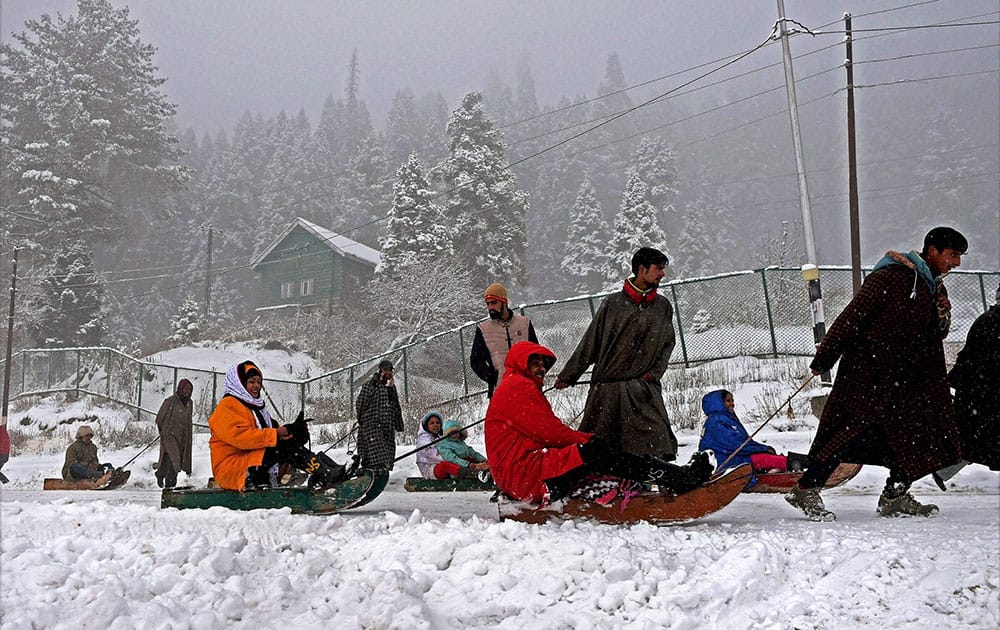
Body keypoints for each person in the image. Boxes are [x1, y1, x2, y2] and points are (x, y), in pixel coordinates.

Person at [785, 226, 968, 521]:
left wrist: (942, 314)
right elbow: (852, 317)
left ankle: (894, 497)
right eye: (953, 255)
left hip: (910, 384)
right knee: (845, 435)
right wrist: (826, 357)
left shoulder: (933, 287)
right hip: (869, 378)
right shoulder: (891, 278)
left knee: (916, 438)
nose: (956, 263)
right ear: (932, 250)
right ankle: (805, 490)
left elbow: (937, 333)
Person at [486, 340, 711, 504]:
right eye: (534, 362)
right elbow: (550, 433)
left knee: (596, 452)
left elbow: (546, 433)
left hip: (520, 472)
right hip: (526, 476)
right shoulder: (518, 388)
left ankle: (670, 476)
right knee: (596, 452)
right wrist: (588, 441)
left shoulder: (514, 387)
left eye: (543, 363)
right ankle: (678, 478)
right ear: (519, 363)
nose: (542, 368)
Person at [555, 247, 679, 460]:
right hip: (607, 392)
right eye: (658, 269)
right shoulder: (613, 304)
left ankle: (656, 484)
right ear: (642, 269)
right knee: (601, 448)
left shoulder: (662, 306)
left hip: (643, 390)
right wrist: (569, 375)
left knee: (657, 442)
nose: (662, 274)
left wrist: (652, 375)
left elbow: (668, 344)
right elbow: (590, 343)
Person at [208, 360, 344, 491]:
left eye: (258, 382)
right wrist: (280, 433)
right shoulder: (227, 407)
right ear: (240, 383)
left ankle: (331, 471)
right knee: (284, 447)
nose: (256, 386)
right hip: (232, 468)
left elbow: (274, 432)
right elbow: (242, 438)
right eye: (251, 382)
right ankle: (326, 474)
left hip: (250, 459)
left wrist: (294, 433)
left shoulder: (254, 407)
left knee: (289, 445)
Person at [943, 283, 999, 474]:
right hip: (981, 400)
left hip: (977, 400)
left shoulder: (989, 320)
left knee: (971, 444)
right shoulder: (992, 323)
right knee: (973, 444)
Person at [698, 390, 808, 475]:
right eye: (728, 401)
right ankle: (808, 463)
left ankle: (801, 463)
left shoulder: (726, 418)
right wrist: (761, 449)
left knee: (768, 457)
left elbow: (743, 443)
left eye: (732, 400)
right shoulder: (716, 421)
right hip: (726, 460)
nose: (732, 404)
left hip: (735, 456)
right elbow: (734, 445)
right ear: (718, 403)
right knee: (767, 459)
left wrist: (761, 448)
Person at [470, 282, 539, 398]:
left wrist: (533, 376)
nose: (490, 307)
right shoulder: (483, 329)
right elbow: (475, 361)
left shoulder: (524, 323)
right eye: (488, 304)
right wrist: (492, 377)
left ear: (504, 301)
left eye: (494, 302)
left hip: (527, 388)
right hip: (500, 392)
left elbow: (536, 353)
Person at [356, 359, 404, 470]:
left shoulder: (392, 388)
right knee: (376, 455)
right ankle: (369, 474)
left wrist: (398, 424)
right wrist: (363, 420)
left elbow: (396, 406)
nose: (388, 373)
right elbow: (360, 403)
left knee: (386, 455)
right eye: (386, 370)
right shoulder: (370, 386)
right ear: (380, 371)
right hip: (372, 426)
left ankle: (378, 476)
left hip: (387, 427)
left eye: (390, 370)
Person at [154, 378, 194, 488]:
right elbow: (159, 418)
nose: (187, 391)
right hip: (169, 436)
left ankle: (160, 474)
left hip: (182, 437)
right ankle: (170, 485)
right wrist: (164, 432)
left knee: (168, 458)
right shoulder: (170, 401)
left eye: (189, 389)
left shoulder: (189, 403)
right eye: (185, 389)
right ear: (180, 389)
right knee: (174, 460)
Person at [415, 410, 458, 480]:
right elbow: (436, 456)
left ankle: (478, 468)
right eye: (432, 423)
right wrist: (454, 459)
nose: (435, 425)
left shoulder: (441, 437)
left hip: (445, 463)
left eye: (437, 423)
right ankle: (467, 473)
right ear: (427, 426)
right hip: (430, 470)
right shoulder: (423, 441)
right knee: (446, 466)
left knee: (465, 457)